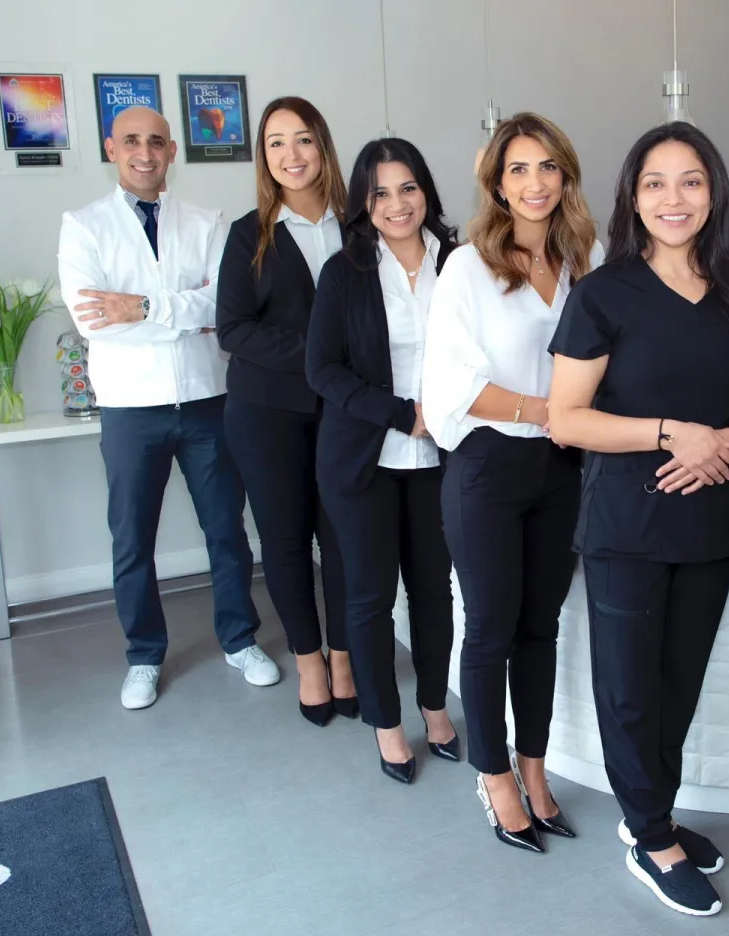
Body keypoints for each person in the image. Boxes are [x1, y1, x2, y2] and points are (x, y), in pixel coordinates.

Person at [548, 122, 729, 915]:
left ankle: (652, 815)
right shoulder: (604, 294)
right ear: (633, 198)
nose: (675, 198)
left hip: (711, 523)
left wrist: (725, 441)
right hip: (626, 528)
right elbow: (566, 419)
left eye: (691, 181)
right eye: (656, 183)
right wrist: (671, 433)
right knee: (632, 691)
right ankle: (648, 835)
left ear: (714, 194)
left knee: (678, 684)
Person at [422, 112, 603, 851]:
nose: (535, 183)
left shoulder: (588, 257)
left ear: (566, 175)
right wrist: (549, 411)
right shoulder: (467, 267)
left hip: (563, 469)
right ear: (497, 182)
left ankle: (535, 768)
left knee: (541, 627)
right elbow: (451, 387)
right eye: (518, 169)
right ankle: (493, 776)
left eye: (548, 167)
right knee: (491, 628)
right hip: (489, 468)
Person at [58, 107, 278, 710]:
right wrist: (183, 311)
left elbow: (222, 310)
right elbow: (93, 321)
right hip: (131, 409)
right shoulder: (83, 227)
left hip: (207, 399)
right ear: (111, 149)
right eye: (132, 141)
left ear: (172, 151)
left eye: (156, 142)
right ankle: (144, 656)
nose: (145, 152)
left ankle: (239, 640)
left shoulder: (208, 223)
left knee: (226, 531)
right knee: (133, 540)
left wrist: (141, 308)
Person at [307, 138, 460, 781]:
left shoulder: (460, 262)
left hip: (442, 461)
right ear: (363, 203)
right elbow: (322, 369)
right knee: (370, 598)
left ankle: (434, 707)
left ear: (426, 191)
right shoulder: (344, 271)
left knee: (433, 592)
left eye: (408, 188)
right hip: (363, 461)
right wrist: (403, 414)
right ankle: (387, 724)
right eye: (381, 193)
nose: (398, 204)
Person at [216, 96, 351, 727]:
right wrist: (320, 355)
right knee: (286, 540)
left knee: (345, 537)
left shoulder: (361, 226)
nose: (291, 155)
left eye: (302, 139)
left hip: (344, 413)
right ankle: (309, 662)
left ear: (322, 146)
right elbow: (233, 329)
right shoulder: (250, 233)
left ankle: (344, 658)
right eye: (275, 143)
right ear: (263, 157)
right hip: (266, 412)